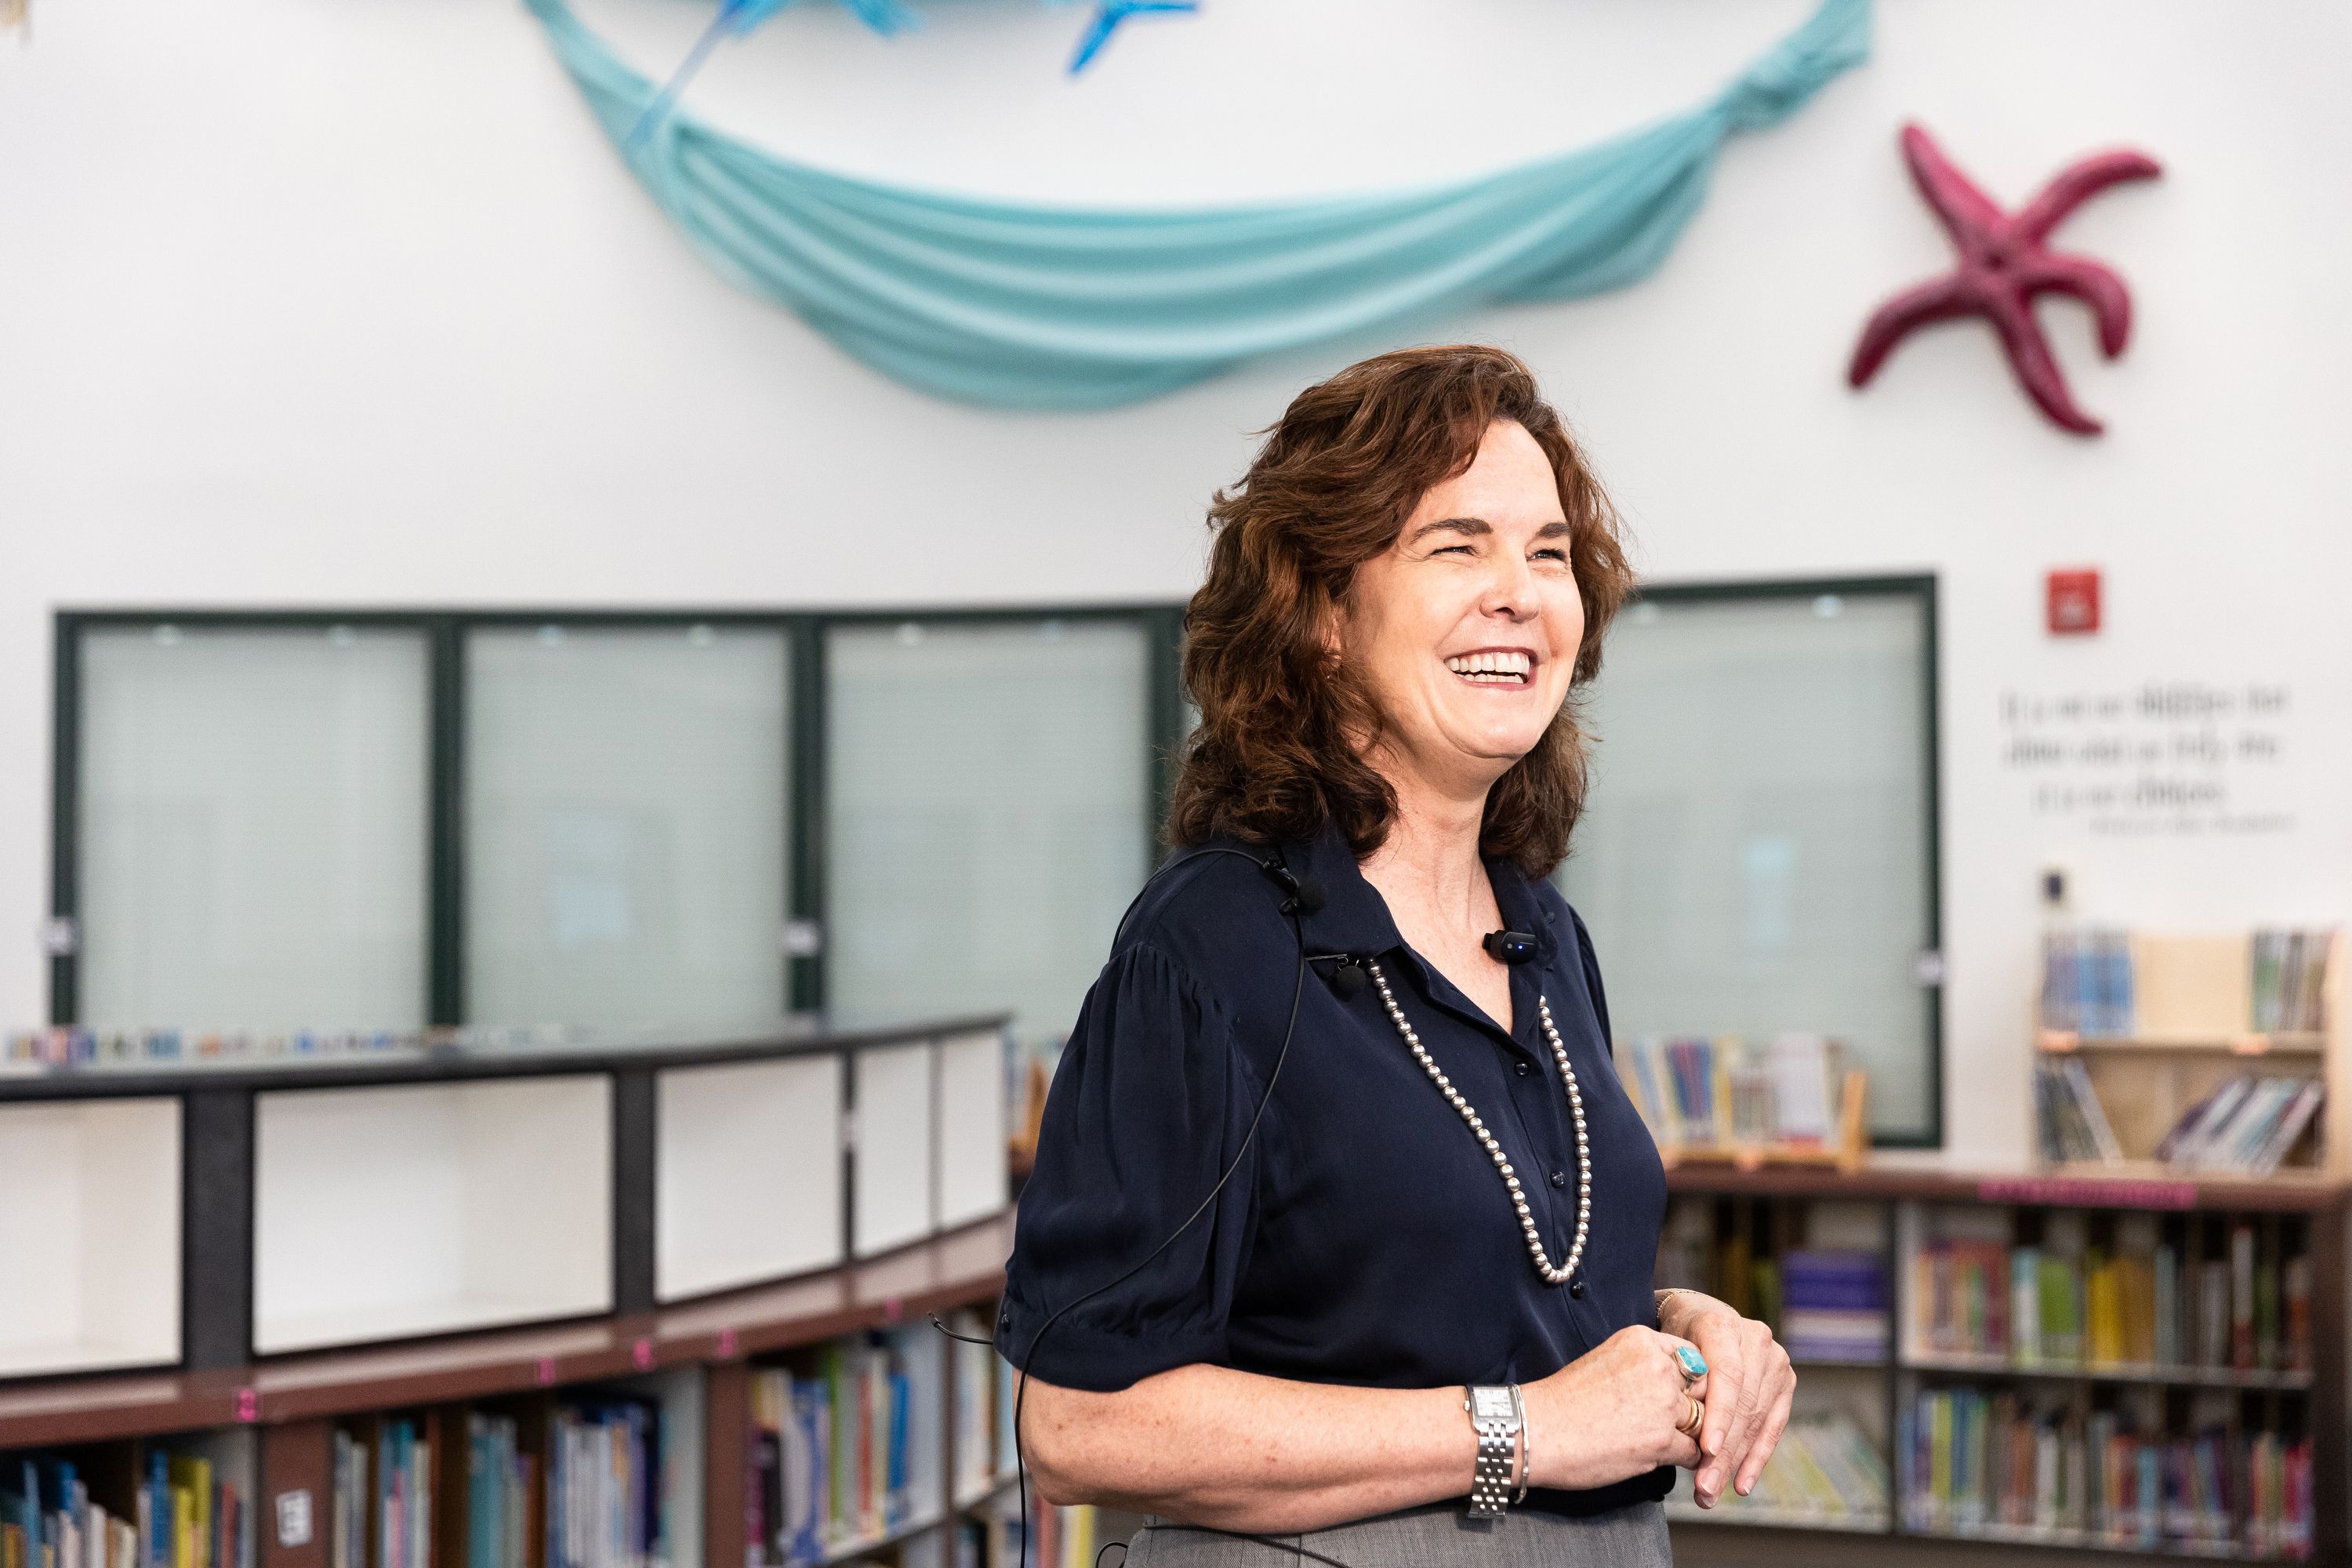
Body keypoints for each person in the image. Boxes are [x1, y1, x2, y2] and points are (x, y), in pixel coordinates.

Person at [996, 345, 1795, 1566]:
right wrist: (1521, 1429)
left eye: (1549, 553)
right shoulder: (1212, 947)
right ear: (1320, 613)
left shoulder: (1545, 934)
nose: (1521, 592)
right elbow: (1081, 1423)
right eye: (1457, 544)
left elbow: (1472, 1277)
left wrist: (1684, 1333)